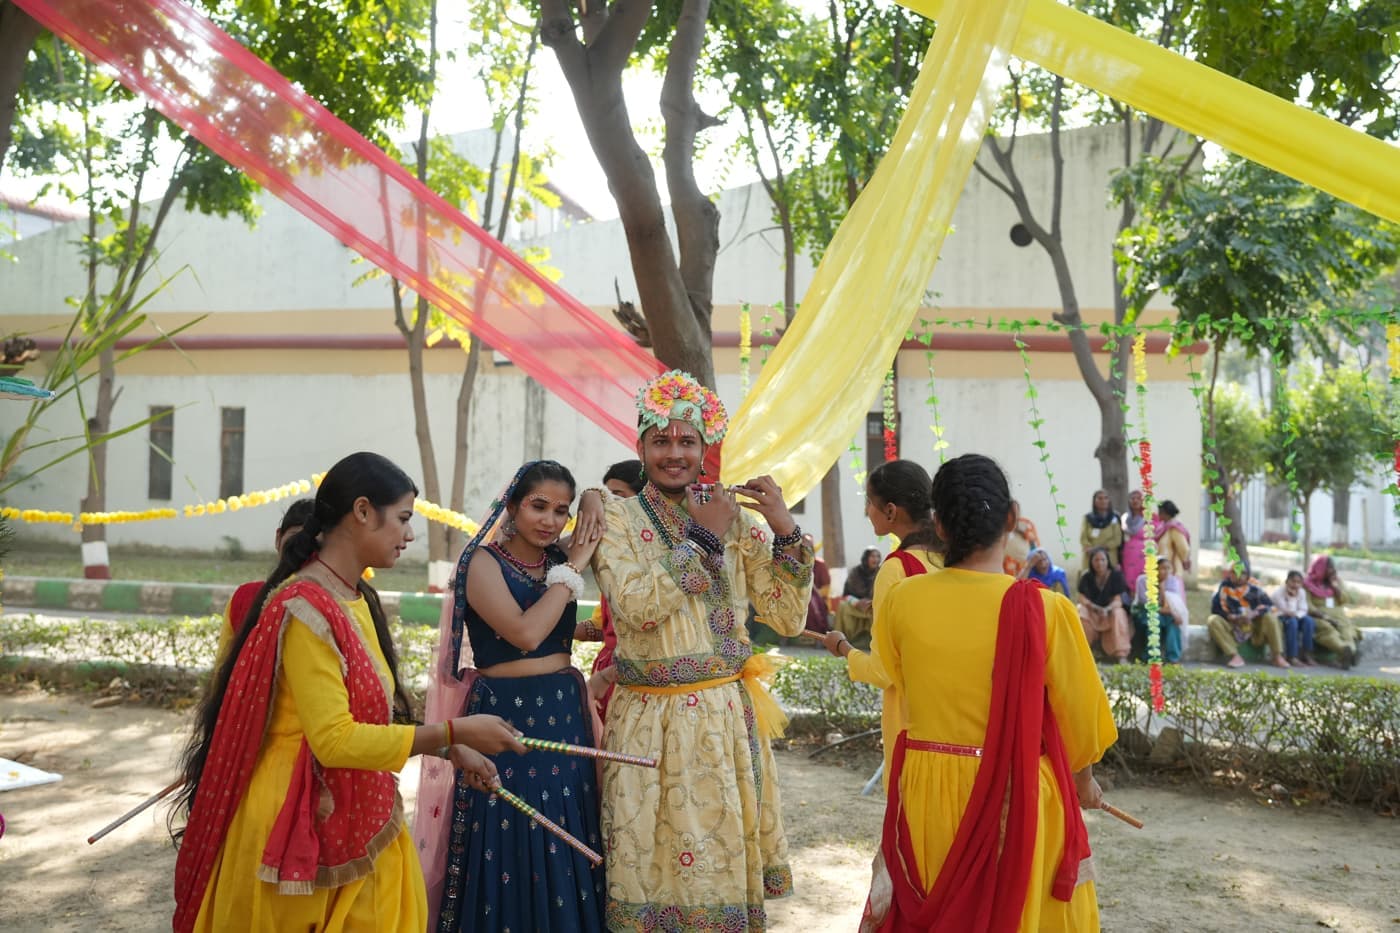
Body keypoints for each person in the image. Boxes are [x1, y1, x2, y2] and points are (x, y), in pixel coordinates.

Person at [170, 452, 522, 933]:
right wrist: (454, 729)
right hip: (297, 830)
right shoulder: (306, 609)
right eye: (401, 519)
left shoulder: (350, 597)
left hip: (358, 809)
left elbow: (365, 720)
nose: (410, 534)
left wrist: (450, 746)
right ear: (361, 512)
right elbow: (333, 740)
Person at [576, 368, 814, 930]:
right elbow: (634, 606)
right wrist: (702, 538)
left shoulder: (736, 518)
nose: (674, 453)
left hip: (723, 720)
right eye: (661, 441)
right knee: (647, 870)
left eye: (687, 441)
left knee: (718, 877)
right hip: (648, 722)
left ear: (705, 448)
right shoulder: (614, 517)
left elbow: (786, 615)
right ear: (640, 446)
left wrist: (783, 530)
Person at [865, 453, 1116, 931]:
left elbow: (890, 670)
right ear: (1012, 518)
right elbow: (1081, 726)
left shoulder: (902, 600)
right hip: (1014, 796)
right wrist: (1084, 783)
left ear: (938, 525)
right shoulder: (1047, 610)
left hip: (924, 790)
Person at [423, 460, 607, 932]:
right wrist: (574, 569)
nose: (550, 520)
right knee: (510, 835)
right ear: (511, 504)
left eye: (561, 511)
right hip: (505, 713)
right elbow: (525, 634)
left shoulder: (555, 559)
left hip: (563, 707)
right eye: (538, 506)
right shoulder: (483, 562)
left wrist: (592, 497)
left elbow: (618, 513)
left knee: (567, 826)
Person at [821, 459, 944, 789]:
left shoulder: (897, 568)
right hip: (957, 723)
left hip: (913, 725)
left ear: (890, 511)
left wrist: (844, 648)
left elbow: (882, 670)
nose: (866, 512)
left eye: (869, 503)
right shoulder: (953, 559)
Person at [575, 459, 646, 721]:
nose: (610, 505)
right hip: (606, 674)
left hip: (631, 675)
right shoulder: (611, 553)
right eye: (606, 496)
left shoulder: (648, 556)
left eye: (618, 496)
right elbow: (601, 628)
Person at [217, 498, 315, 662]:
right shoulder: (243, 599)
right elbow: (223, 669)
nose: (302, 551)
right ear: (278, 538)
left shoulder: (334, 605)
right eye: (296, 540)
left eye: (312, 544)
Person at [1206, 563, 1288, 669]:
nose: (1239, 575)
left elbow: (1269, 606)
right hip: (1234, 627)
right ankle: (1234, 656)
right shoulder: (1223, 588)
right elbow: (1216, 610)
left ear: (1248, 575)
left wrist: (1253, 614)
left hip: (1254, 629)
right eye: (1235, 572)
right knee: (1213, 620)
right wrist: (1234, 617)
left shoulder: (1255, 588)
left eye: (1242, 573)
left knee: (1270, 616)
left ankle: (1277, 656)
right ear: (1230, 574)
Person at [1304, 555, 1361, 669]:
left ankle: (1352, 653)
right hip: (1320, 616)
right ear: (1320, 568)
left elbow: (1344, 600)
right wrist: (1324, 617)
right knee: (1328, 630)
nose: (1331, 571)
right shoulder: (1307, 584)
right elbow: (1307, 605)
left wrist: (1335, 587)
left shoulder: (1336, 581)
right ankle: (1344, 650)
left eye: (1332, 568)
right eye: (1328, 568)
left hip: (1339, 615)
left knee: (1347, 632)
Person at [1076, 547, 1132, 663]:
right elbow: (1082, 598)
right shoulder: (1086, 577)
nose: (1099, 563)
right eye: (1096, 560)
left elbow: (1118, 600)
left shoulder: (1116, 576)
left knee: (1119, 612)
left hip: (1109, 613)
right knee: (1080, 610)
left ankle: (1122, 655)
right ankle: (1083, 651)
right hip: (1093, 613)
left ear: (1108, 561)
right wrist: (1094, 607)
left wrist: (1107, 609)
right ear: (1091, 562)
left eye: (1102, 560)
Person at [1131, 557, 1186, 664]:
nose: (1166, 572)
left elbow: (1171, 603)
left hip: (1165, 612)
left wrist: (1162, 589)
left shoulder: (1172, 581)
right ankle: (1150, 656)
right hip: (1144, 612)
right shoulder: (1143, 580)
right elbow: (1147, 605)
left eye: (1168, 568)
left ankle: (1173, 658)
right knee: (1154, 620)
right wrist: (1171, 612)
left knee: (1173, 623)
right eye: (1162, 568)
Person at [834, 547, 881, 646]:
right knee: (843, 605)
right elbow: (847, 594)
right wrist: (857, 602)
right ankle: (842, 641)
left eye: (877, 557)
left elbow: (883, 592)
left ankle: (875, 641)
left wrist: (871, 601)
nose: (875, 559)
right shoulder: (855, 572)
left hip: (873, 604)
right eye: (872, 556)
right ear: (866, 558)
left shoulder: (881, 572)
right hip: (855, 604)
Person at [1271, 570, 1317, 666]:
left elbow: (1303, 609)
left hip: (1295, 616)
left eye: (1298, 582)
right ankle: (1292, 656)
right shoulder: (1278, 593)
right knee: (1292, 623)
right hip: (1281, 617)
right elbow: (1285, 610)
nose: (1295, 585)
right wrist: (1292, 597)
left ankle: (1306, 654)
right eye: (1293, 581)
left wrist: (1296, 615)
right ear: (1287, 581)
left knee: (1309, 621)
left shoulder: (1302, 592)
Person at [1079, 490, 1123, 569]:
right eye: (1100, 498)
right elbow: (1083, 538)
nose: (1103, 501)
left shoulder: (1115, 517)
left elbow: (1117, 539)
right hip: (1091, 556)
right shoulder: (1087, 518)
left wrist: (1101, 548)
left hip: (1109, 556)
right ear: (1094, 501)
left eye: (1106, 498)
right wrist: (1090, 549)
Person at [1154, 500, 1192, 578]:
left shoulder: (1174, 528)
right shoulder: (1161, 527)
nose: (1158, 514)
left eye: (1160, 512)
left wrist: (1184, 561)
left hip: (1172, 570)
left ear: (1166, 513)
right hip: (1160, 568)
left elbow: (1184, 548)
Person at [1120, 489, 1148, 589]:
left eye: (1138, 498)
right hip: (1128, 555)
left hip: (1143, 555)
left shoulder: (1148, 517)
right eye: (1132, 498)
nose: (1135, 501)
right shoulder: (1124, 518)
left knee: (1142, 580)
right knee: (1128, 578)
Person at [806, 534, 833, 635]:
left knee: (811, 601)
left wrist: (810, 591)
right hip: (798, 596)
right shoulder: (795, 564)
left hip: (818, 598)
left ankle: (818, 633)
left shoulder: (820, 564)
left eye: (809, 546)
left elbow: (826, 589)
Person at [1001, 506, 1040, 577]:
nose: (1012, 515)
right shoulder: (999, 528)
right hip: (1005, 573)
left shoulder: (1025, 525)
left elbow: (1035, 547)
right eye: (1010, 513)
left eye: (1016, 512)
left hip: (1026, 570)